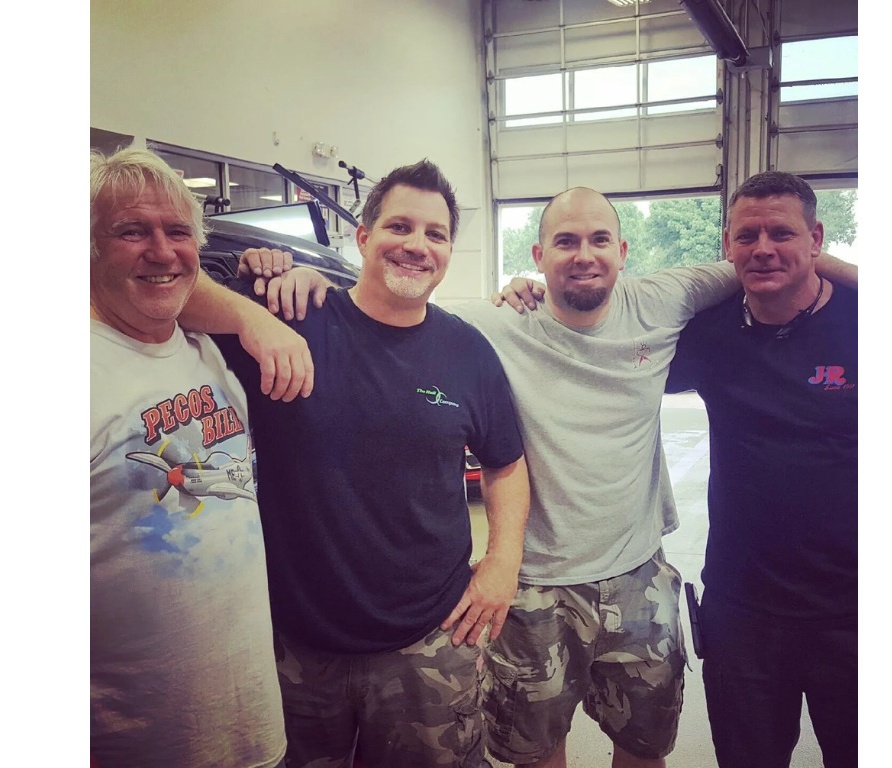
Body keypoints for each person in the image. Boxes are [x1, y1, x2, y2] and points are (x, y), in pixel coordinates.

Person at [250, 185, 857, 767]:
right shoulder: (493, 324)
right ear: (538, 257)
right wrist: (317, 287)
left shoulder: (665, 298)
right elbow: (394, 303)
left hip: (637, 576)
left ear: (623, 251)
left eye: (599, 240)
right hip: (534, 588)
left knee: (647, 747)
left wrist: (821, 257)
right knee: (535, 752)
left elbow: (769, 259)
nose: (584, 255)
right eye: (565, 242)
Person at [178, 159, 531, 768]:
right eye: (399, 226)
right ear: (364, 237)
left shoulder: (468, 351)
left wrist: (503, 563)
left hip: (430, 640)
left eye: (436, 234)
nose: (417, 245)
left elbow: (506, 463)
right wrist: (251, 310)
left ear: (449, 252)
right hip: (296, 645)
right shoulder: (292, 318)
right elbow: (170, 292)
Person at [89, 146, 311, 767]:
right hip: (134, 744)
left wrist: (277, 299)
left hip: (251, 727)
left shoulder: (204, 349)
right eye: (131, 231)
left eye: (177, 231)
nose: (162, 252)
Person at [664, 171, 858, 768]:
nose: (764, 248)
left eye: (782, 233)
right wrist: (532, 297)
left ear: (816, 238)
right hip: (743, 611)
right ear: (727, 245)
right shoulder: (709, 334)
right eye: (747, 236)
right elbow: (608, 341)